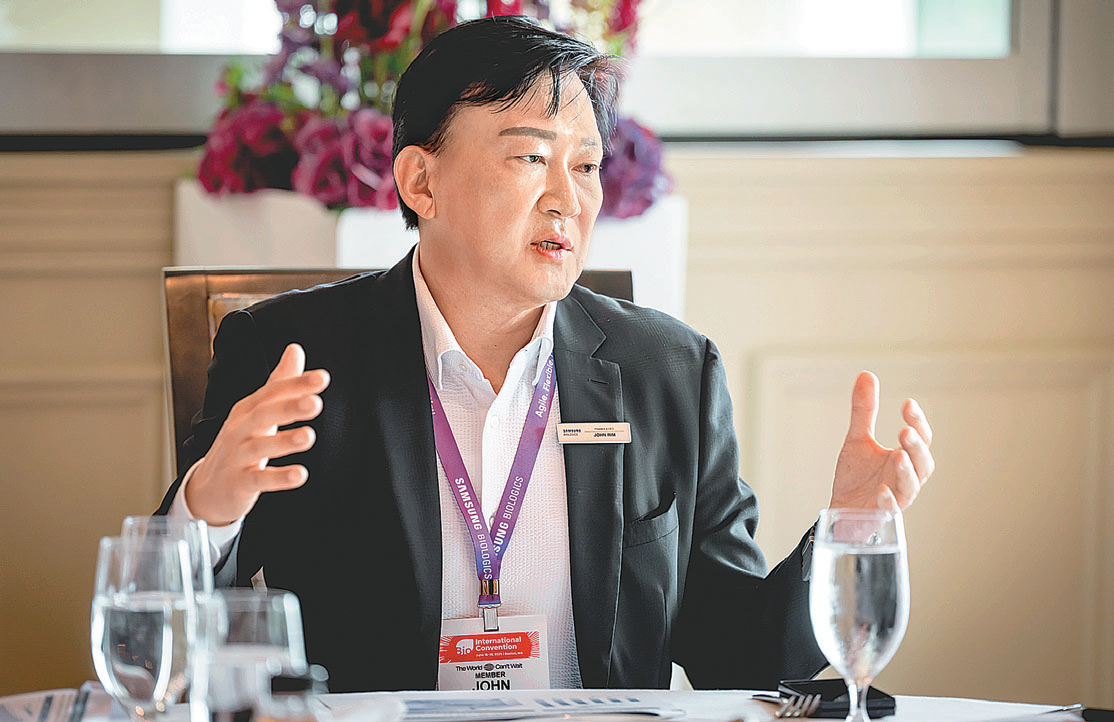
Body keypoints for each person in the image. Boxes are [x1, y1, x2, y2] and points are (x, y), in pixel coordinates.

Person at [158, 15, 934, 693]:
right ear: (421, 182)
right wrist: (207, 512)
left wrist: (848, 530)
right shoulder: (293, 359)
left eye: (586, 165)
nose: (568, 197)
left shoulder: (669, 373)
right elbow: (160, 635)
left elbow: (743, 657)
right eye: (531, 157)